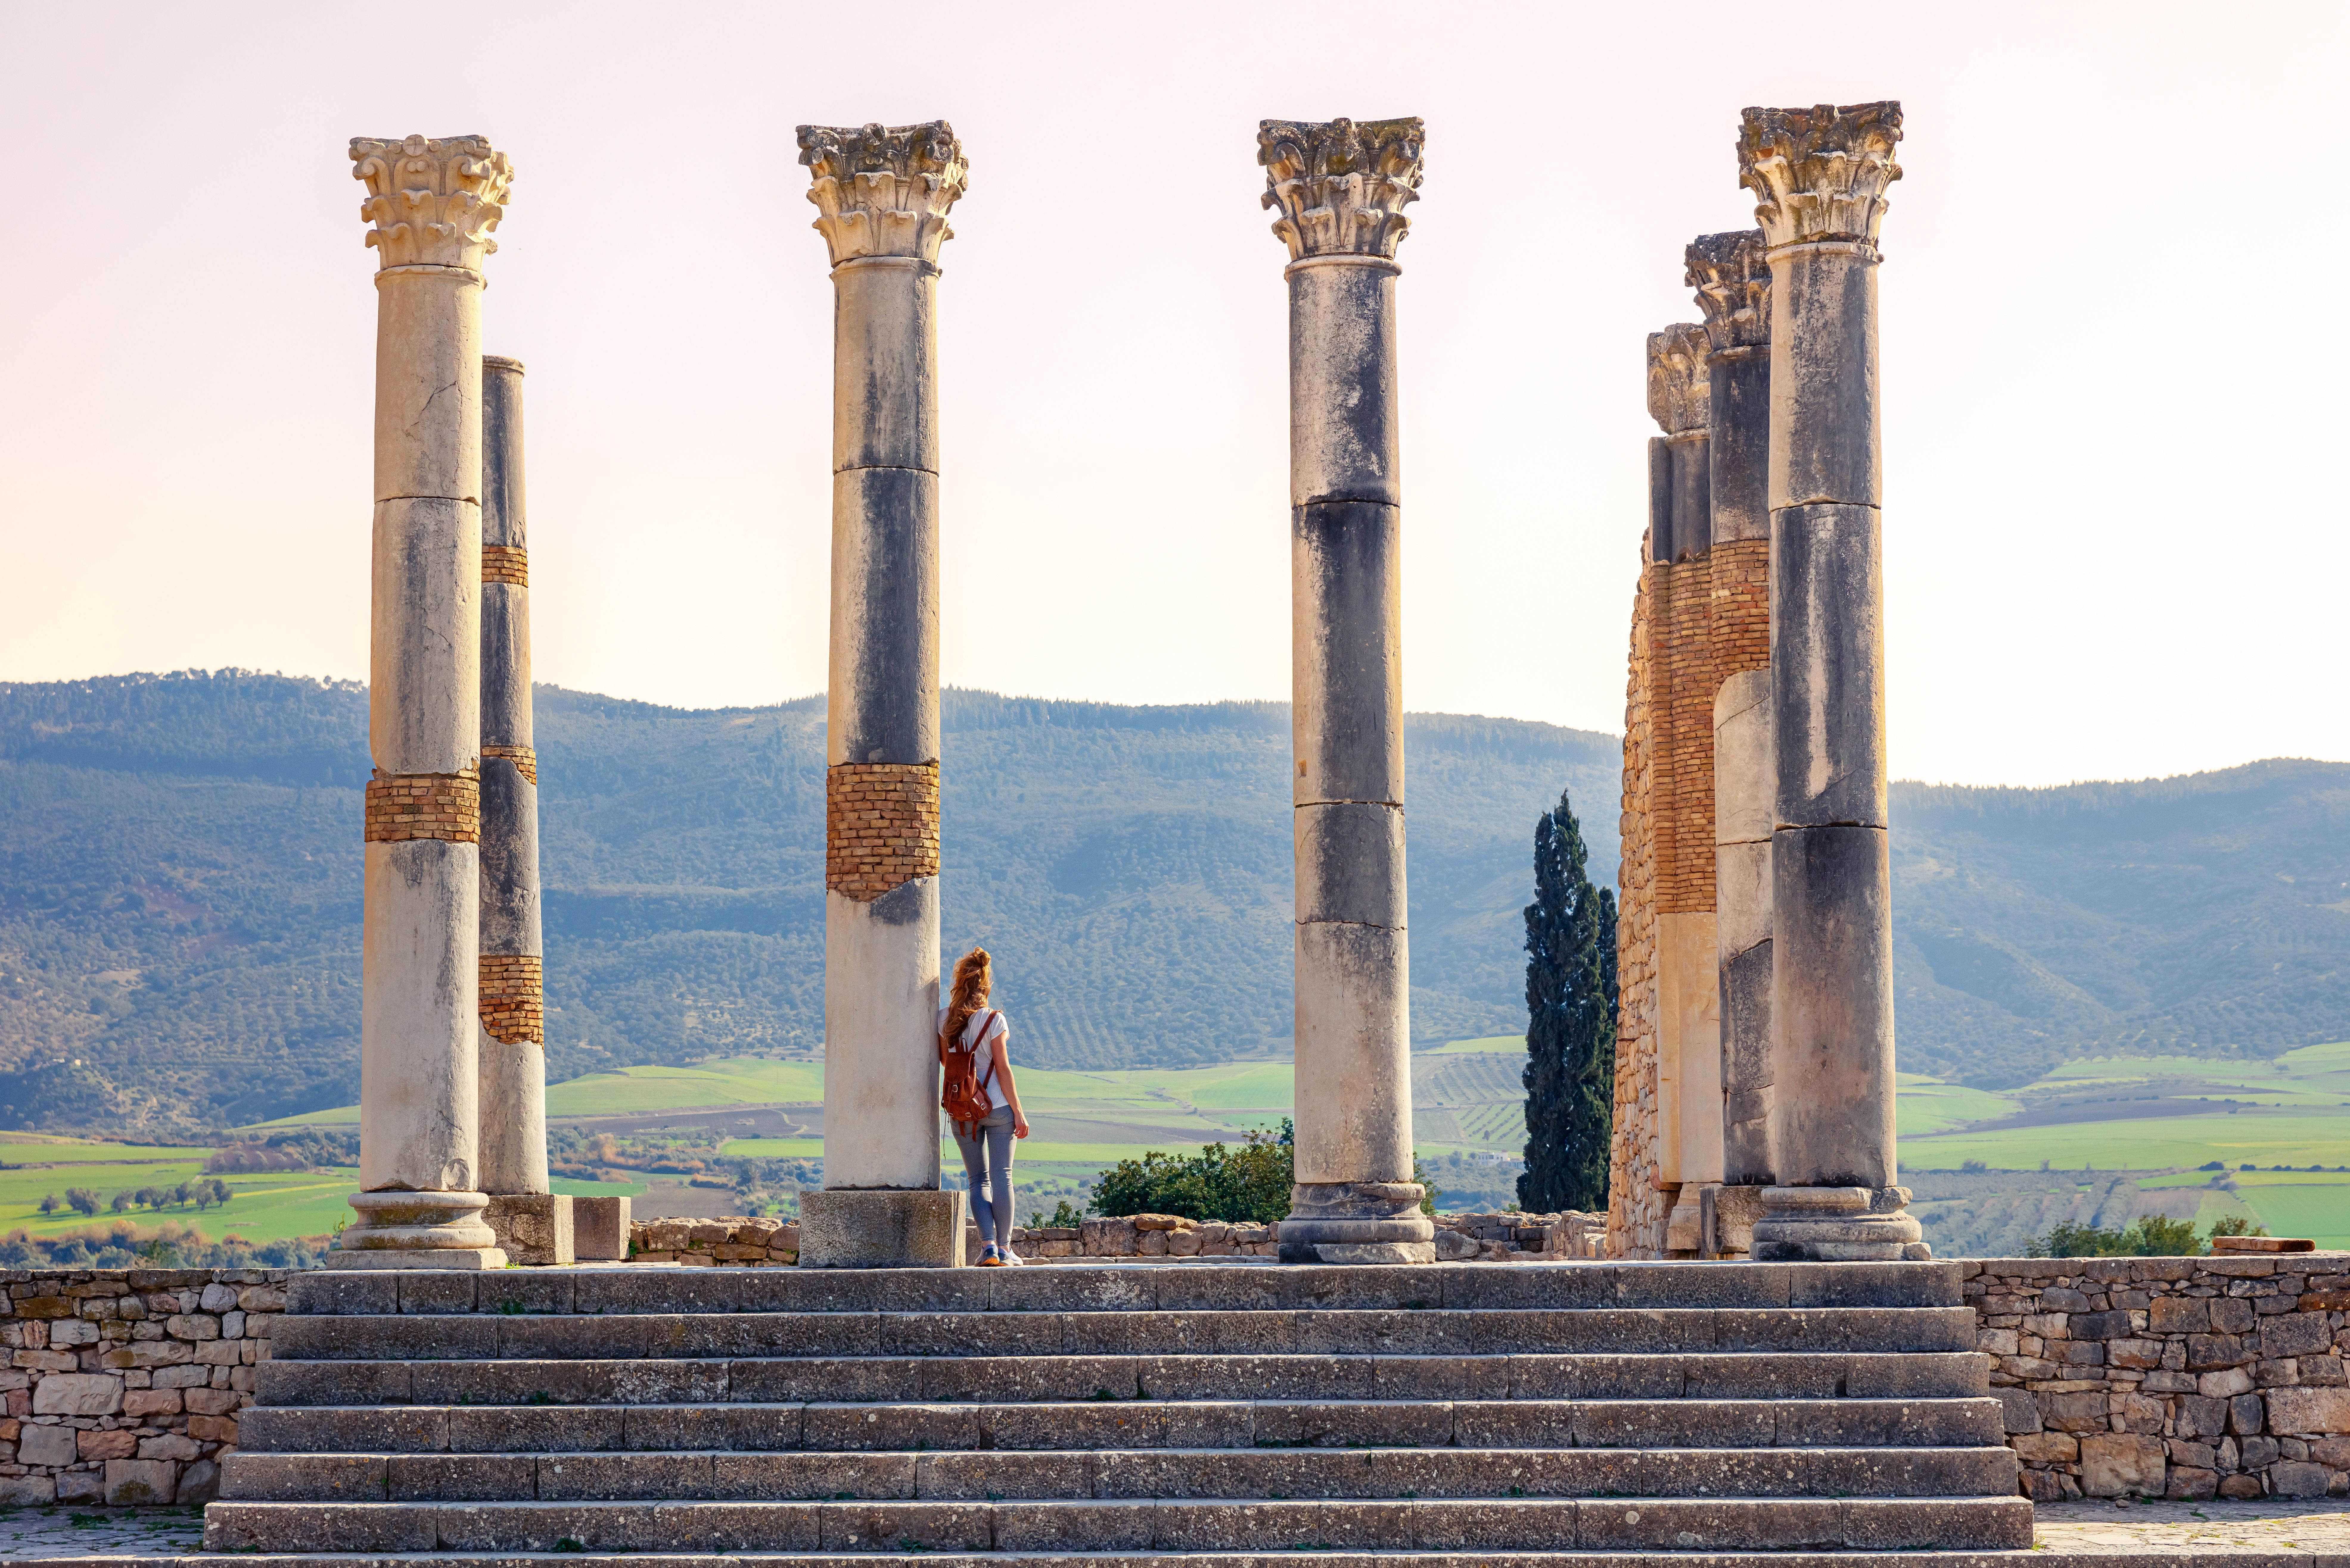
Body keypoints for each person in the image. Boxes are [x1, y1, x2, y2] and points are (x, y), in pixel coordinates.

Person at [938, 947, 1030, 1266]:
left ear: (959, 984)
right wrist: (1019, 1112)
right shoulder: (994, 1019)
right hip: (999, 1107)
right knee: (1003, 1176)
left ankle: (987, 1247)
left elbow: (946, 1062)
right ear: (985, 985)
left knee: (978, 1180)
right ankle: (1005, 1250)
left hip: (962, 1109)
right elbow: (1003, 1069)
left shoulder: (943, 1018)